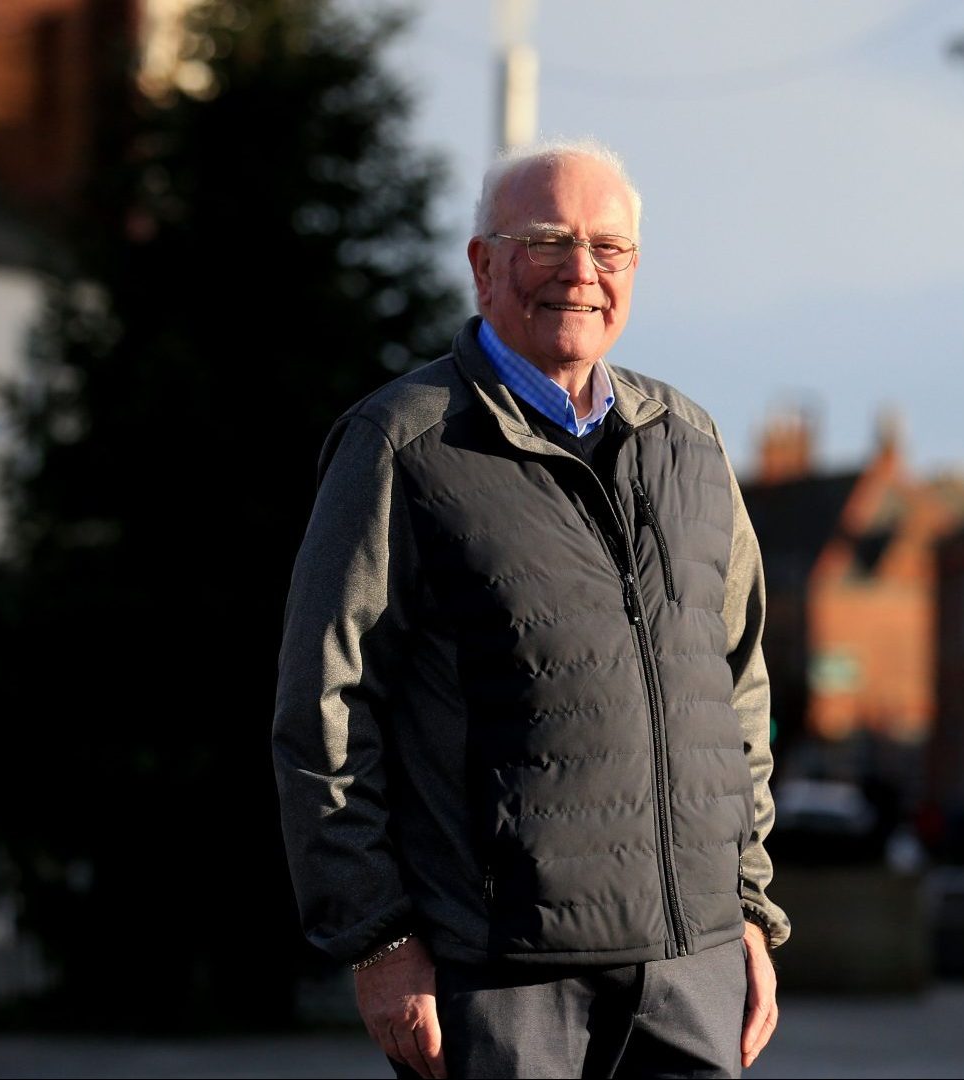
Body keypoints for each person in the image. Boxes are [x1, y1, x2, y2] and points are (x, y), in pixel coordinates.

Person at [272, 138, 788, 1078]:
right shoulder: (402, 444)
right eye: (547, 240)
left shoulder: (693, 445)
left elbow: (737, 691)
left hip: (690, 974)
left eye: (609, 248)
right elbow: (326, 706)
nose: (581, 272)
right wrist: (377, 937)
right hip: (499, 980)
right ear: (483, 263)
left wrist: (747, 908)